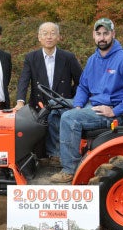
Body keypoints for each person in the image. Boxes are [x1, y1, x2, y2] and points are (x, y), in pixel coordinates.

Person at [49, 18, 123, 184]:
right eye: (98, 34)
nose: (102, 38)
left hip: (110, 113)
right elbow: (83, 87)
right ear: (94, 36)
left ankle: (69, 170)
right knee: (54, 108)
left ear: (113, 34)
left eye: (106, 33)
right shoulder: (93, 60)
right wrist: (78, 105)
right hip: (92, 106)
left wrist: (115, 111)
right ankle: (58, 156)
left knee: (69, 118)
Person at [14, 22, 82, 167]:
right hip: (39, 104)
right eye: (45, 33)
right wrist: (20, 101)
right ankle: (38, 160)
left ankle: (60, 159)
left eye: (52, 33)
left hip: (61, 105)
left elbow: (80, 81)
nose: (49, 37)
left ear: (59, 37)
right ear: (39, 37)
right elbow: (24, 81)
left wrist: (72, 99)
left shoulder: (68, 57)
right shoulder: (31, 57)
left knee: (60, 131)